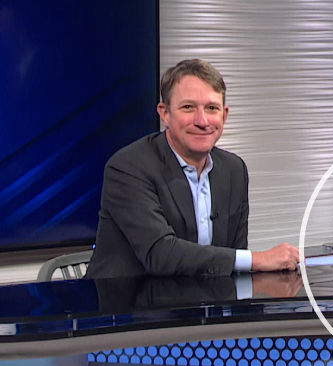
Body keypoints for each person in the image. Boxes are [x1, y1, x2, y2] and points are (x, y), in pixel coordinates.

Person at [86, 59, 299, 279]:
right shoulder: (128, 168)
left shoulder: (234, 170)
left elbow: (231, 263)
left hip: (203, 298)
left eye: (212, 108)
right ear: (165, 113)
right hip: (127, 299)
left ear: (224, 115)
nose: (202, 121)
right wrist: (258, 259)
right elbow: (161, 255)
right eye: (188, 107)